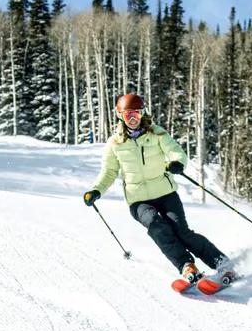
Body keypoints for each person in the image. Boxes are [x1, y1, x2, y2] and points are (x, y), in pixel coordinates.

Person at [83, 93, 232, 287]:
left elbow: (175, 150)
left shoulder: (156, 133)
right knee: (157, 227)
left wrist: (177, 162)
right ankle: (187, 266)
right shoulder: (115, 144)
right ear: (121, 116)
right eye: (128, 115)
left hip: (166, 194)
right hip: (138, 201)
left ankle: (221, 262)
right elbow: (109, 171)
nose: (133, 119)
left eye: (136, 114)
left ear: (142, 113)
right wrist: (96, 190)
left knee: (182, 232)